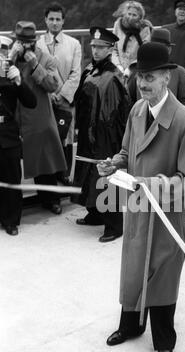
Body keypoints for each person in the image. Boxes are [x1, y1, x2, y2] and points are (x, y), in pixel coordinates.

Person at [97, 42, 185, 352]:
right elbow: (129, 153)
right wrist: (114, 163)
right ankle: (130, 325)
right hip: (140, 210)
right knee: (134, 268)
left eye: (151, 77)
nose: (143, 84)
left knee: (162, 275)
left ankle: (165, 341)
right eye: (140, 76)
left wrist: (153, 184)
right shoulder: (137, 111)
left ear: (167, 78)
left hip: (171, 216)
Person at [73, 26, 130, 243]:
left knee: (107, 177)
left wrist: (112, 140)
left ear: (110, 49)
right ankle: (95, 213)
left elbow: (118, 112)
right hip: (89, 133)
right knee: (89, 173)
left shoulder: (113, 75)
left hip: (106, 136)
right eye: (93, 46)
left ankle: (115, 225)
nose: (95, 50)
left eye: (100, 47)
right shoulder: (90, 69)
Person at [10, 21, 67, 215]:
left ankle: (51, 199)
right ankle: (10, 206)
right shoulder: (9, 58)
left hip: (38, 118)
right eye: (21, 42)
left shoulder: (46, 58)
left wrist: (35, 66)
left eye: (28, 42)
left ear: (34, 42)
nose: (25, 46)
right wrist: (10, 58)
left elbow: (53, 86)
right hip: (13, 117)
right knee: (10, 164)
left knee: (45, 162)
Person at [38, 2, 82, 185]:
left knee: (66, 137)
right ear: (45, 21)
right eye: (51, 19)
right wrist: (49, 95)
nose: (54, 23)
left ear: (63, 21)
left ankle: (64, 175)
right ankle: (50, 180)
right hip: (45, 100)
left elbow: (76, 73)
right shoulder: (38, 43)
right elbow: (35, 72)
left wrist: (62, 95)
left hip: (65, 100)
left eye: (58, 19)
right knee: (48, 139)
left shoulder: (74, 44)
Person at [0, 36, 37, 236]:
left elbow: (31, 103)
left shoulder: (12, 73)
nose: (0, 53)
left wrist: (19, 82)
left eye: (4, 49)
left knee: (12, 180)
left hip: (8, 135)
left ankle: (11, 220)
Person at [127, 28, 185, 109]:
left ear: (169, 50)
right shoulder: (138, 70)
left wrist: (174, 116)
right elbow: (129, 100)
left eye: (160, 48)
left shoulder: (179, 72)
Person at [112, 1, 152, 76]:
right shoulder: (118, 24)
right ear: (125, 13)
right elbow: (113, 49)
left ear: (140, 17)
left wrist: (131, 68)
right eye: (129, 14)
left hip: (137, 71)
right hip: (118, 70)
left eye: (134, 15)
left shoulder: (144, 29)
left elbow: (145, 53)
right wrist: (118, 66)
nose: (130, 17)